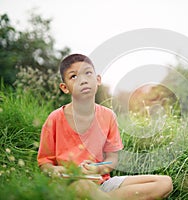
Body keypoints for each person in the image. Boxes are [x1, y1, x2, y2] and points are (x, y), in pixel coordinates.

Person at [37, 53, 173, 200]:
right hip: (71, 184)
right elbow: (45, 164)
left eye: (88, 73)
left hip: (102, 183)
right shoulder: (55, 118)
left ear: (98, 79)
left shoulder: (108, 116)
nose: (83, 80)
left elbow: (112, 159)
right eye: (74, 76)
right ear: (64, 87)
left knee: (165, 183)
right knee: (84, 186)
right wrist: (72, 171)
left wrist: (99, 168)